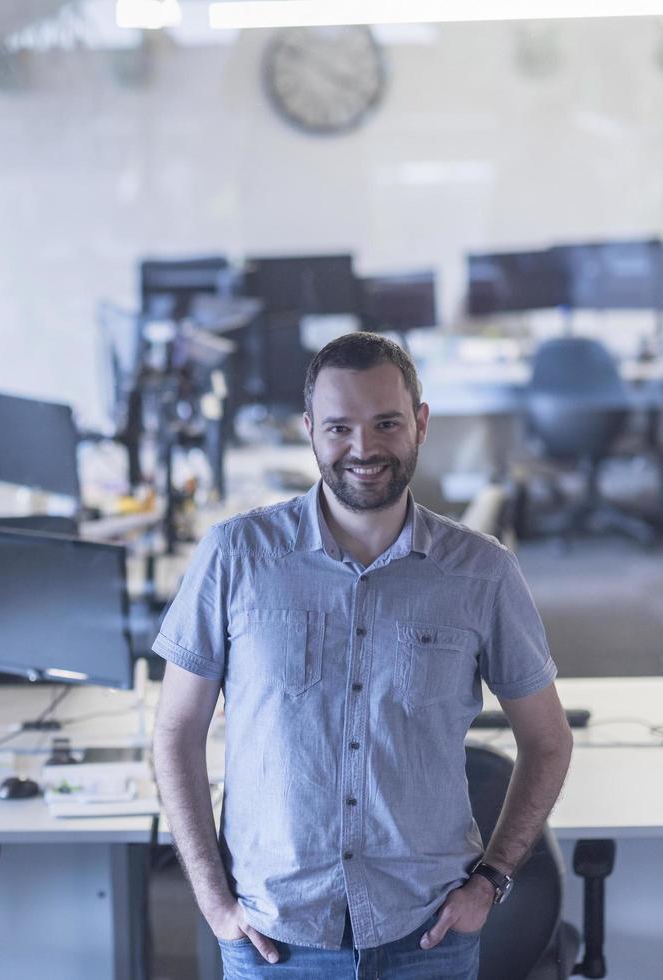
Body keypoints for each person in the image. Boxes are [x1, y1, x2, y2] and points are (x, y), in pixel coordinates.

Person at [152, 332, 573, 978]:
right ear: (309, 430)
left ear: (420, 424)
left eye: (385, 424)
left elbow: (548, 740)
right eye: (339, 427)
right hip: (275, 939)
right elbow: (176, 733)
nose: (363, 448)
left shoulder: (481, 573)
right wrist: (213, 902)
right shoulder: (235, 558)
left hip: (427, 936)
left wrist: (491, 881)